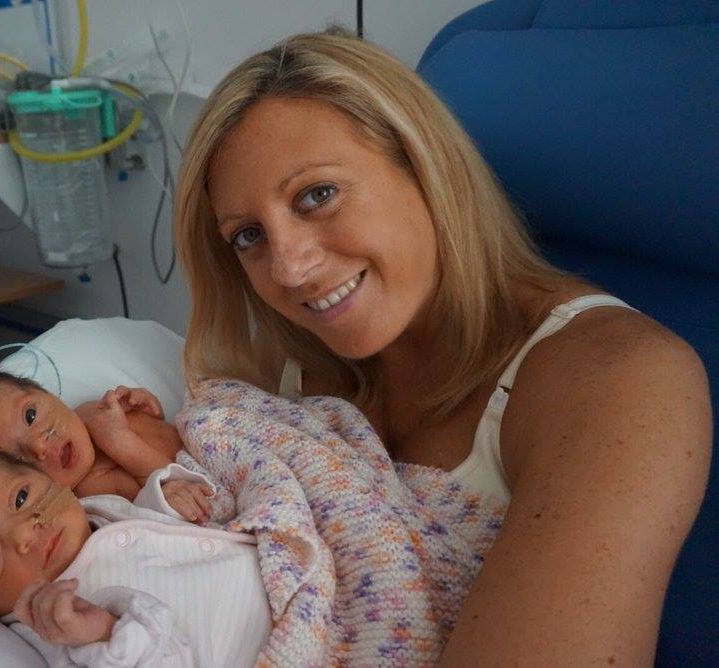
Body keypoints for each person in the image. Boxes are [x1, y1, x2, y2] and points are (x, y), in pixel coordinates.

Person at [173, 29, 712, 664]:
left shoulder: (622, 380)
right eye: (248, 236)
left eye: (317, 195)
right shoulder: (293, 366)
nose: (288, 269)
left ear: (423, 165)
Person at [0, 442, 271, 667]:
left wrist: (165, 496)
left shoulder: (94, 509)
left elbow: (146, 522)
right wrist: (106, 636)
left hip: (287, 577)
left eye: (21, 497)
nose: (26, 533)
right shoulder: (52, 626)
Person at [0, 372, 212, 523]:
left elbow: (160, 428)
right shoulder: (89, 488)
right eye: (16, 459)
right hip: (209, 479)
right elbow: (165, 486)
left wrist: (148, 405)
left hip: (206, 431)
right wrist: (118, 441)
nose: (39, 444)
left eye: (30, 416)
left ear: (47, 394)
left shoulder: (89, 410)